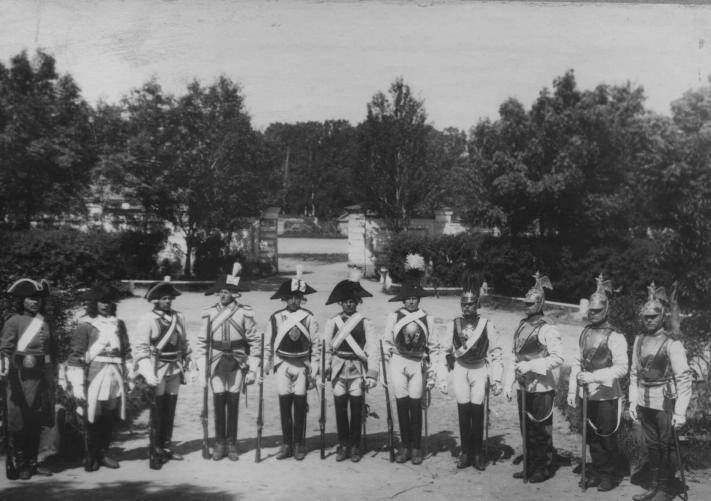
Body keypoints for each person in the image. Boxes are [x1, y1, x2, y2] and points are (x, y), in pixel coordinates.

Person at [629, 283, 692, 501]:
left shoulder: (672, 343)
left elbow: (684, 378)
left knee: (667, 445)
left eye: (653, 316)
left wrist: (680, 411)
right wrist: (632, 401)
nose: (649, 320)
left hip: (665, 400)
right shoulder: (639, 340)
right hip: (645, 399)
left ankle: (666, 488)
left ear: (662, 316)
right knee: (653, 445)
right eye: (646, 316)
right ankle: (654, 486)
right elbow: (634, 373)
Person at [567, 274, 628, 492]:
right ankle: (597, 471)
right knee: (591, 436)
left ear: (606, 309)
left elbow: (622, 368)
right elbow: (577, 361)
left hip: (606, 395)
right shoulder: (585, 333)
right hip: (587, 393)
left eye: (597, 310)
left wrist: (594, 377)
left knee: (606, 436)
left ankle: (609, 475)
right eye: (591, 310)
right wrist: (572, 390)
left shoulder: (615, 336)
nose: (593, 314)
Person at [503, 272, 564, 483]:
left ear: (540, 303)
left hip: (541, 386)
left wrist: (532, 365)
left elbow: (558, 358)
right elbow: (514, 354)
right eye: (525, 303)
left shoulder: (548, 328)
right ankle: (529, 465)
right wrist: (508, 382)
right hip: (523, 385)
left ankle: (543, 467)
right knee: (526, 428)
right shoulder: (522, 325)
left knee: (541, 428)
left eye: (531, 303)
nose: (526, 307)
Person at [438, 273, 503, 470]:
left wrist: (497, 379)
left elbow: (496, 352)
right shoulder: (453, 324)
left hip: (479, 368)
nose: (467, 307)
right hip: (460, 368)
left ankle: (478, 452)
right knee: (463, 410)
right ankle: (465, 452)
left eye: (471, 304)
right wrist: (442, 377)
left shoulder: (486, 324)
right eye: (464, 304)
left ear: (477, 305)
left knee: (477, 409)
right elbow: (444, 351)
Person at [196, 263, 261, 461]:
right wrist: (201, 368)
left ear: (234, 294)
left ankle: (232, 443)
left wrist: (253, 368)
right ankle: (219, 443)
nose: (223, 295)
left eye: (227, 292)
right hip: (216, 360)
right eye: (221, 292)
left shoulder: (244, 312)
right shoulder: (209, 312)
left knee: (233, 401)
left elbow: (255, 341)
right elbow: (202, 342)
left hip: (238, 360)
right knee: (218, 399)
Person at [66, 284, 132, 471]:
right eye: (101, 302)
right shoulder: (86, 325)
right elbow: (76, 356)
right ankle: (90, 454)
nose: (105, 305)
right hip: (94, 374)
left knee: (108, 414)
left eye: (108, 301)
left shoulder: (118, 324)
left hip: (114, 374)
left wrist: (129, 375)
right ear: (94, 303)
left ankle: (103, 452)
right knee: (91, 413)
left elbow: (126, 351)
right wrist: (77, 384)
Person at [382, 253, 437, 466]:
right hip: (399, 360)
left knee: (415, 404)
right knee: (402, 403)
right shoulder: (393, 316)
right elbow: (387, 342)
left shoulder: (427, 318)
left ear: (418, 299)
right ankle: (404, 446)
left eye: (414, 297)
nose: (411, 301)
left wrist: (432, 371)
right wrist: (385, 366)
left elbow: (433, 346)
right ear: (403, 299)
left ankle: (416, 447)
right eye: (407, 298)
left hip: (417, 363)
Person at [0, 278, 56, 480]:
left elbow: (51, 352)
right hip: (20, 379)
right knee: (19, 422)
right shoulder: (14, 321)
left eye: (38, 299)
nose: (35, 302)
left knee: (36, 421)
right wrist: (3, 368)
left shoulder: (45, 322)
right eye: (31, 298)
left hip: (41, 378)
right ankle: (21, 463)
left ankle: (33, 463)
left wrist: (52, 377)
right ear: (22, 300)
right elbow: (5, 350)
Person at [322, 267, 378, 463]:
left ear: (357, 302)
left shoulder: (365, 322)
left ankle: (355, 445)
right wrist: (325, 368)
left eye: (352, 301)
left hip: (357, 369)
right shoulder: (332, 322)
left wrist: (372, 374)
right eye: (345, 301)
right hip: (338, 368)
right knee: (340, 409)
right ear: (340, 302)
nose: (349, 304)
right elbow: (326, 348)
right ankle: (343, 444)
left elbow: (373, 349)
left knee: (356, 409)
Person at [264, 265, 319, 460]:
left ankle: (299, 443)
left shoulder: (309, 317)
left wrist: (315, 366)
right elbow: (269, 343)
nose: (294, 300)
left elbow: (316, 345)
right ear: (285, 299)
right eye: (290, 297)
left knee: (300, 404)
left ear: (301, 298)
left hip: (302, 364)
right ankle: (287, 443)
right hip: (282, 363)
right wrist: (266, 363)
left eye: (297, 297)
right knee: (285, 403)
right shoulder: (276, 317)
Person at [134, 281, 191, 469]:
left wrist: (189, 364)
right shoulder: (147, 319)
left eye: (170, 298)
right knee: (157, 410)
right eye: (164, 298)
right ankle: (155, 449)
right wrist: (147, 372)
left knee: (170, 408)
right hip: (156, 368)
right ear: (155, 300)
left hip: (174, 367)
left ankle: (166, 445)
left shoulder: (179, 317)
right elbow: (141, 348)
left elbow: (184, 343)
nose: (168, 301)